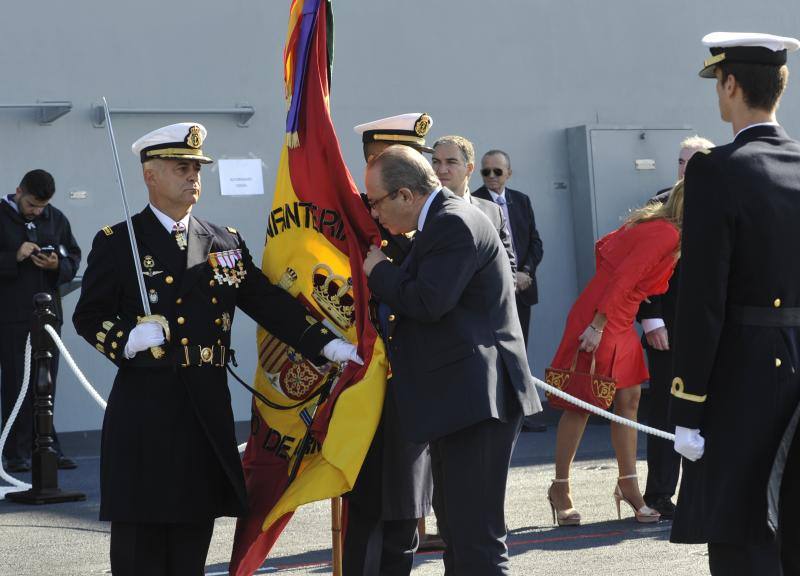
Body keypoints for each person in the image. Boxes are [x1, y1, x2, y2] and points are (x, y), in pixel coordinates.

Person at [72, 123, 358, 574]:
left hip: (204, 408)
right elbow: (88, 316)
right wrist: (126, 338)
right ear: (150, 175)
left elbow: (266, 302)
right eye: (181, 168)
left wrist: (328, 344)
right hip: (147, 408)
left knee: (192, 537)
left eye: (197, 168)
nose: (193, 177)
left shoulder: (222, 241)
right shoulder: (119, 242)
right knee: (139, 545)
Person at [363, 145, 541, 575]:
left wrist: (378, 270)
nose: (374, 213)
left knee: (476, 540)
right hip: (460, 402)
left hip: (479, 403)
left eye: (376, 202)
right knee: (459, 537)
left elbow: (428, 301)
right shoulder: (442, 222)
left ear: (405, 195)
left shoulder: (453, 223)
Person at [669, 32, 800, 576]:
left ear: (730, 84)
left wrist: (688, 405)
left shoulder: (716, 169)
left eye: (717, 84)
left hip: (745, 376)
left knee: (743, 533)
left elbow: (703, 297)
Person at [547, 182, 685, 526]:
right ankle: (559, 489)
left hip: (617, 313)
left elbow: (605, 247)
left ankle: (628, 486)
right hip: (603, 315)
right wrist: (597, 322)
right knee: (583, 401)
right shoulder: (666, 233)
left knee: (629, 400)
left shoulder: (665, 230)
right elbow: (623, 276)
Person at [342, 112, 436, 576]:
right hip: (369, 383)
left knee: (406, 516)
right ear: (376, 160)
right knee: (373, 512)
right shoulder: (356, 221)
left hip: (419, 383)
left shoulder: (438, 218)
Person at [638, 135, 713, 519]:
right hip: (666, 326)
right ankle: (660, 494)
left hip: (710, 328)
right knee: (667, 412)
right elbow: (639, 266)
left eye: (694, 161)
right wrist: (651, 318)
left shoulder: (722, 199)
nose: (686, 168)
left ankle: (702, 495)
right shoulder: (661, 204)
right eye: (682, 161)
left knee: (710, 412)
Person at [0, 169, 80, 473]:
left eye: (41, 206)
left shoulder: (55, 218)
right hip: (11, 316)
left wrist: (58, 264)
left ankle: (46, 447)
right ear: (18, 191)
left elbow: (73, 255)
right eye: (32, 204)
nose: (37, 211)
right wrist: (13, 256)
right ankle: (15, 451)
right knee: (15, 381)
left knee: (46, 382)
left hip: (47, 318)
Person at [473, 150, 545, 432]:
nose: (491, 177)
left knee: (520, 350)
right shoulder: (476, 201)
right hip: (495, 293)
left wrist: (525, 272)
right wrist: (507, 278)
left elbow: (535, 242)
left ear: (508, 174)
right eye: (486, 172)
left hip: (523, 289)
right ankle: (498, 411)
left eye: (497, 172)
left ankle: (521, 412)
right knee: (494, 351)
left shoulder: (521, 201)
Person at [431, 135, 516, 275]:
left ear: (469, 168)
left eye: (451, 162)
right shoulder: (422, 211)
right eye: (436, 162)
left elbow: (508, 268)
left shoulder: (493, 212)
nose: (441, 170)